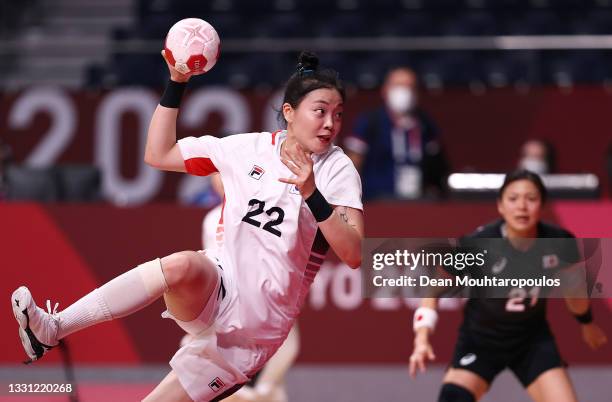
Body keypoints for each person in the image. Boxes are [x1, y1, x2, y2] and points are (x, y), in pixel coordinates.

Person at [11, 51, 364, 402]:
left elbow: (353, 253)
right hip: (217, 290)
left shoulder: (338, 170)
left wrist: (312, 193)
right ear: (289, 113)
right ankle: (53, 329)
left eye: (338, 114)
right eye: (320, 111)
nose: (330, 123)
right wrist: (177, 83)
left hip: (252, 334)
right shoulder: (246, 148)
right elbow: (158, 153)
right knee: (181, 264)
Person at [409, 169, 607, 402]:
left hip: (531, 341)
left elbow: (575, 296)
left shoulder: (560, 242)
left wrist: (586, 322)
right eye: (513, 199)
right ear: (500, 206)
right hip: (481, 340)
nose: (522, 206)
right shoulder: (478, 244)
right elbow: (434, 289)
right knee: (453, 398)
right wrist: (421, 339)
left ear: (542, 205)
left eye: (531, 199)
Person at [344, 66, 449, 200]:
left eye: (409, 86)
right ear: (385, 90)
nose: (404, 91)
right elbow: (353, 164)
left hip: (417, 202)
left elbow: (436, 165)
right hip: (377, 201)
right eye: (398, 86)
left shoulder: (425, 123)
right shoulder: (370, 122)